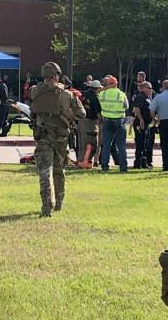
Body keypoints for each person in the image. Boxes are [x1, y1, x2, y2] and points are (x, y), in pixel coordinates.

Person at [30, 62, 85, 216]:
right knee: (59, 170)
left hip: (42, 136)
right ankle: (59, 202)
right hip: (61, 137)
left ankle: (47, 206)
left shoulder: (35, 91)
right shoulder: (67, 94)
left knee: (44, 171)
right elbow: (82, 113)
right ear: (57, 75)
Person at [97, 75, 128, 172]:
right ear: (116, 84)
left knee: (106, 145)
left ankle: (104, 167)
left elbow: (100, 104)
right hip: (119, 121)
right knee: (121, 145)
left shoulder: (103, 94)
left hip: (107, 121)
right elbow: (126, 106)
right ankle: (123, 168)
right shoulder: (121, 94)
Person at [77, 79, 101, 167]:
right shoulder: (95, 98)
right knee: (90, 143)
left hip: (81, 120)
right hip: (90, 122)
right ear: (97, 88)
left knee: (81, 142)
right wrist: (101, 122)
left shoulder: (83, 94)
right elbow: (98, 113)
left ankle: (80, 161)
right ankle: (86, 163)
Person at [131, 81, 154, 169]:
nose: (151, 90)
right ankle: (138, 163)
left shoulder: (149, 97)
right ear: (144, 88)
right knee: (140, 143)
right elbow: (137, 109)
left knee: (145, 144)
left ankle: (144, 162)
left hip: (147, 124)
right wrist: (141, 120)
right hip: (140, 123)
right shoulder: (140, 97)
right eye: (149, 88)